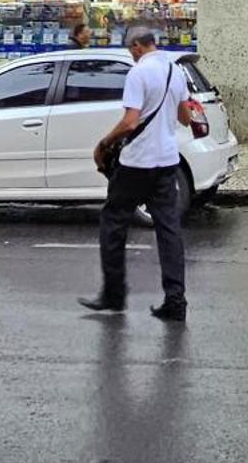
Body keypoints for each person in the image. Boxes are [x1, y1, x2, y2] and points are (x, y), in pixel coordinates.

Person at [79, 28, 197, 322]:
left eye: (130, 49)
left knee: (113, 223)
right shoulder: (175, 70)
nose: (130, 54)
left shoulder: (138, 73)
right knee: (169, 231)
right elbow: (185, 117)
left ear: (137, 46)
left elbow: (130, 122)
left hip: (136, 164)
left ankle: (114, 295)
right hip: (167, 161)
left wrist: (104, 143)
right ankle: (175, 300)